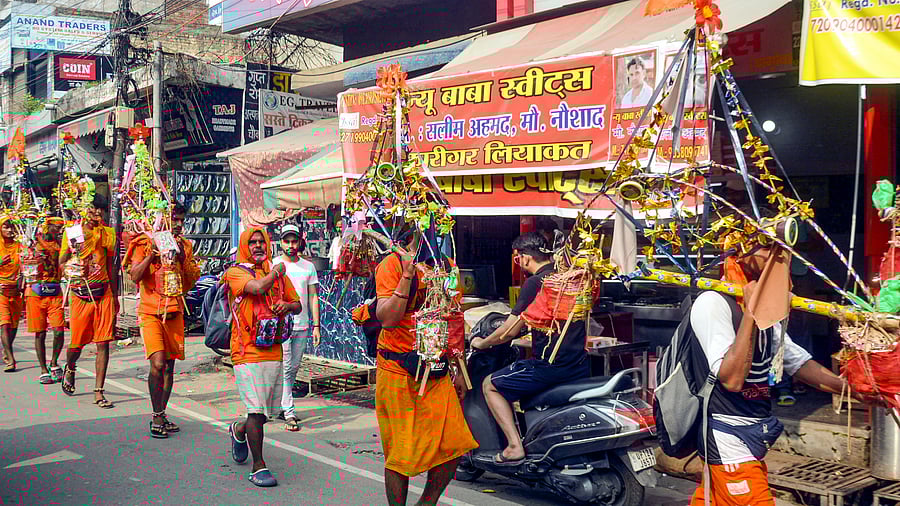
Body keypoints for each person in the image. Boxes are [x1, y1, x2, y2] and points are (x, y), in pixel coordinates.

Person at [689, 240, 871, 505]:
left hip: (756, 432)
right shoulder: (713, 303)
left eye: (781, 250)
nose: (778, 258)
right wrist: (750, 313)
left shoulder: (766, 312)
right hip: (728, 435)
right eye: (768, 249)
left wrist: (859, 389)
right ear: (740, 253)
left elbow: (800, 365)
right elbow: (732, 379)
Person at [374, 224, 476, 506]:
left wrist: (459, 367)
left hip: (437, 371)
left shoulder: (447, 266)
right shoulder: (392, 264)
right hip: (398, 371)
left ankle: (426, 503)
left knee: (455, 446)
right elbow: (388, 319)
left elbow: (453, 318)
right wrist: (408, 275)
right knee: (401, 454)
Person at [471, 232, 590, 464]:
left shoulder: (537, 283)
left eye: (518, 258)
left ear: (524, 258)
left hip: (550, 366)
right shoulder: (565, 279)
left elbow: (508, 331)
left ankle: (515, 446)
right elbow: (542, 319)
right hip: (578, 363)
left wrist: (481, 343)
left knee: (490, 385)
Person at [226, 227, 302, 487]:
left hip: (273, 349)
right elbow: (257, 288)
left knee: (263, 413)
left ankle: (238, 430)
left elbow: (298, 304)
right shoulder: (236, 272)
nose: (258, 246)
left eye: (262, 242)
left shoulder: (277, 273)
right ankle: (259, 466)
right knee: (257, 412)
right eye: (253, 242)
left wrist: (287, 306)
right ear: (245, 245)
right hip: (246, 351)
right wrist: (276, 272)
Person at [124, 203, 200, 438]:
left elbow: (189, 283)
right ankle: (156, 414)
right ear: (161, 220)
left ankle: (162, 412)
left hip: (174, 311)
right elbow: (135, 276)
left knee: (169, 366)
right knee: (157, 363)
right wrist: (151, 256)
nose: (178, 224)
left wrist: (183, 256)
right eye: (173, 219)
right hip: (150, 312)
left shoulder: (184, 246)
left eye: (181, 219)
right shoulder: (143, 243)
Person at [58, 194, 118, 408]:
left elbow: (112, 266)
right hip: (80, 294)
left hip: (103, 293)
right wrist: (72, 264)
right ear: (85, 209)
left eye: (102, 209)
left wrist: (115, 294)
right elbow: (62, 261)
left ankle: (99, 391)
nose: (98, 213)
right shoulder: (74, 232)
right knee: (76, 344)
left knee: (103, 343)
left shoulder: (107, 233)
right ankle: (70, 366)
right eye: (94, 208)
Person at [272, 223, 320, 432]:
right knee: (284, 366)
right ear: (281, 242)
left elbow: (313, 296)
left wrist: (316, 325)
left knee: (293, 367)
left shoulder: (308, 267)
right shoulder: (274, 265)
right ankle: (288, 410)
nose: (290, 245)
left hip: (302, 324)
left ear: (300, 241)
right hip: (281, 324)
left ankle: (282, 404)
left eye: (294, 241)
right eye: (286, 241)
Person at [25, 216, 66, 384]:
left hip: (55, 291)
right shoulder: (35, 243)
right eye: (57, 227)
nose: (59, 231)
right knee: (40, 333)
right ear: (48, 227)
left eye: (61, 227)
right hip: (36, 293)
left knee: (59, 331)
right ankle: (43, 369)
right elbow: (27, 265)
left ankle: (54, 363)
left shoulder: (62, 245)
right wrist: (34, 259)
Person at [0, 215, 23, 373]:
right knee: (4, 323)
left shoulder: (19, 246)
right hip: (0, 290)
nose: (9, 230)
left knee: (13, 326)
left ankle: (6, 349)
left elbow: (26, 266)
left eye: (11, 227)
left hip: (15, 290)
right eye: (5, 227)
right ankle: (10, 359)